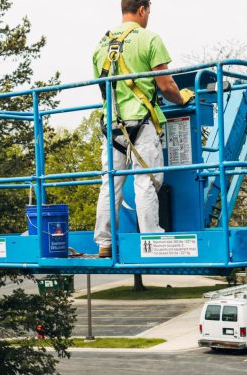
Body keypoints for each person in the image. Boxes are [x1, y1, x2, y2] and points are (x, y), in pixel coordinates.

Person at [92, 0, 194, 258]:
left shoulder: (101, 44)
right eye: (148, 12)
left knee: (109, 183)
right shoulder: (149, 39)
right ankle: (150, 238)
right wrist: (181, 98)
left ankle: (104, 242)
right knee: (146, 182)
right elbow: (166, 85)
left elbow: (103, 89)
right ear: (142, 9)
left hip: (112, 125)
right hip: (140, 123)